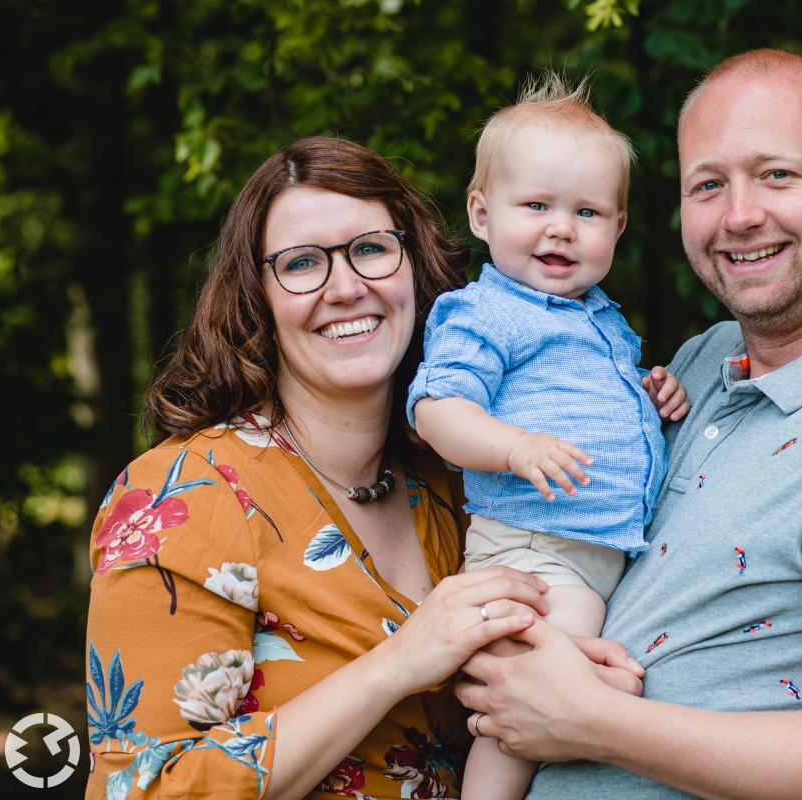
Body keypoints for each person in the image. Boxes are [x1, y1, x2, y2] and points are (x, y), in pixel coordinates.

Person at [455, 49, 802, 799]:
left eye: (777, 174)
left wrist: (586, 719)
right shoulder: (700, 364)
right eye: (709, 185)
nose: (740, 214)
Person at [84, 136, 642, 800]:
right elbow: (141, 789)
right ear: (257, 294)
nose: (346, 287)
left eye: (371, 249)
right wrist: (398, 664)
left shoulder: (464, 479)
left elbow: (522, 693)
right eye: (301, 264)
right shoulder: (180, 497)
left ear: (413, 264)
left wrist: (579, 684)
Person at [407, 75, 688, 799]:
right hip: (533, 549)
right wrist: (512, 446)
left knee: (580, 688)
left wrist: (656, 396)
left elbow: (605, 408)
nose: (561, 227)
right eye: (535, 206)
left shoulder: (602, 320)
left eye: (588, 211)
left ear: (618, 228)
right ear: (481, 212)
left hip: (596, 554)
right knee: (527, 697)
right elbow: (437, 409)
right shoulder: (485, 312)